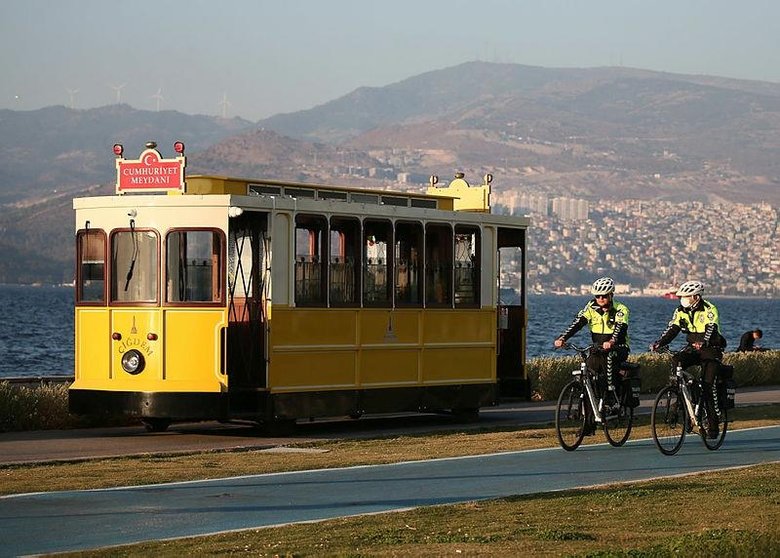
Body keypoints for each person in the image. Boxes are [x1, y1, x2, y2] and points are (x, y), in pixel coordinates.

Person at [650, 280, 726, 438]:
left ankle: (713, 423)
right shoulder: (680, 311)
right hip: (693, 348)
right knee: (677, 359)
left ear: (696, 297)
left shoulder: (709, 309)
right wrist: (659, 343)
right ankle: (679, 391)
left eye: (686, 297)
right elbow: (672, 329)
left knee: (707, 385)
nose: (682, 299)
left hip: (711, 349)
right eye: (681, 297)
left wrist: (703, 342)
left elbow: (711, 328)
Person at [554, 277, 630, 422]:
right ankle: (588, 422)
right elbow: (578, 322)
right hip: (598, 348)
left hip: (618, 347)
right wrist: (563, 338)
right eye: (597, 296)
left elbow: (620, 328)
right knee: (589, 375)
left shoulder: (621, 309)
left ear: (611, 295)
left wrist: (612, 341)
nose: (600, 298)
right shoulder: (590, 307)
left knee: (608, 361)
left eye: (604, 296)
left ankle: (611, 399)